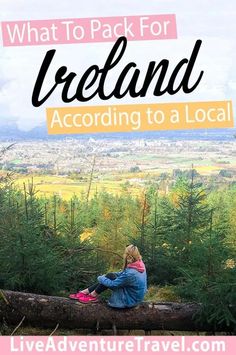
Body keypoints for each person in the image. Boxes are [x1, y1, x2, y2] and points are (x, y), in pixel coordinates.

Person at [69, 244, 147, 308]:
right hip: (134, 296)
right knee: (110, 275)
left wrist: (101, 278)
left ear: (128, 256)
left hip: (129, 300)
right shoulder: (139, 264)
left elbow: (113, 284)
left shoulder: (131, 273)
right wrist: (109, 275)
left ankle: (92, 295)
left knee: (108, 278)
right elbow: (123, 274)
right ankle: (85, 292)